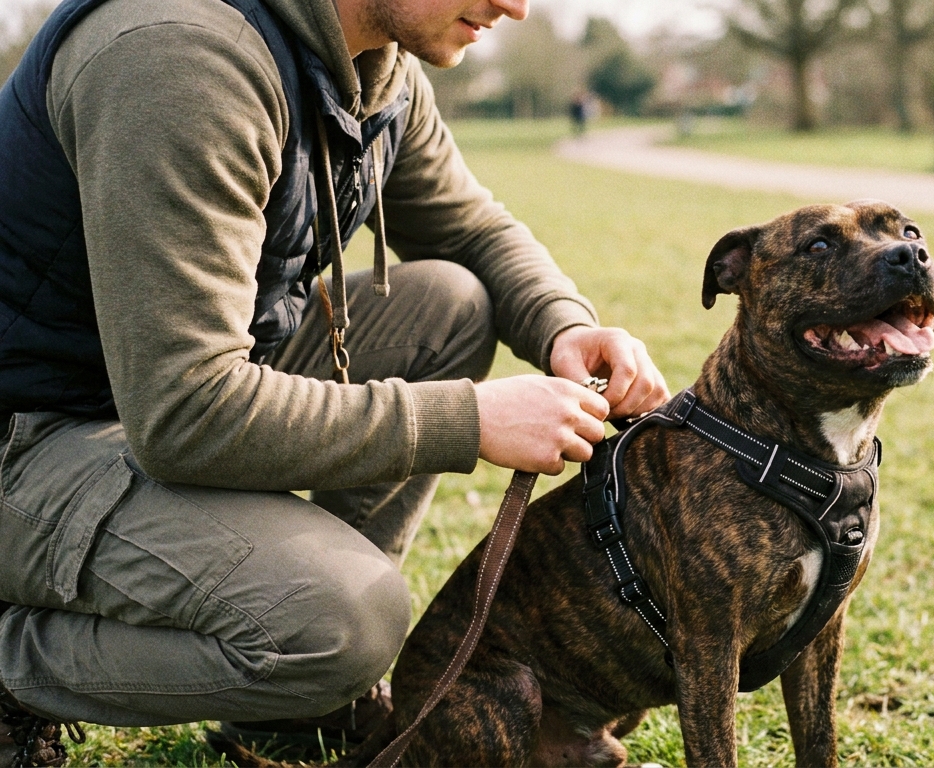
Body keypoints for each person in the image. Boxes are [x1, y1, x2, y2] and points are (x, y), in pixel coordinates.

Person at [0, 0, 671, 763]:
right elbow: (185, 410)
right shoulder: (179, 57)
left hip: (132, 394)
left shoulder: (371, 63)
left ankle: (285, 703)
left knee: (449, 305)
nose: (515, 6)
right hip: (28, 432)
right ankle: (13, 668)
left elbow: (467, 228)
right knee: (339, 621)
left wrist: (564, 325)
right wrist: (469, 419)